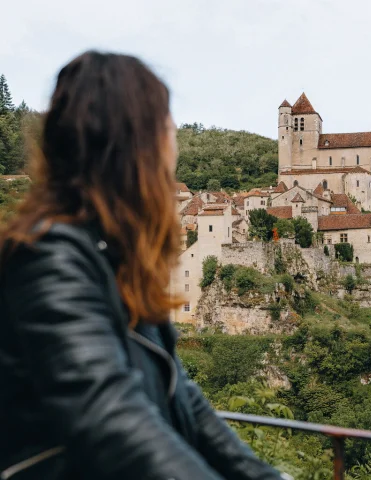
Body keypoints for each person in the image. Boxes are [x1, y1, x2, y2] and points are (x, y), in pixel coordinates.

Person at [0, 51, 286, 480]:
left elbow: (182, 395)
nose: (175, 142)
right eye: (166, 126)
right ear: (135, 145)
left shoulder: (116, 255)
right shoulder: (48, 258)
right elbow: (111, 419)